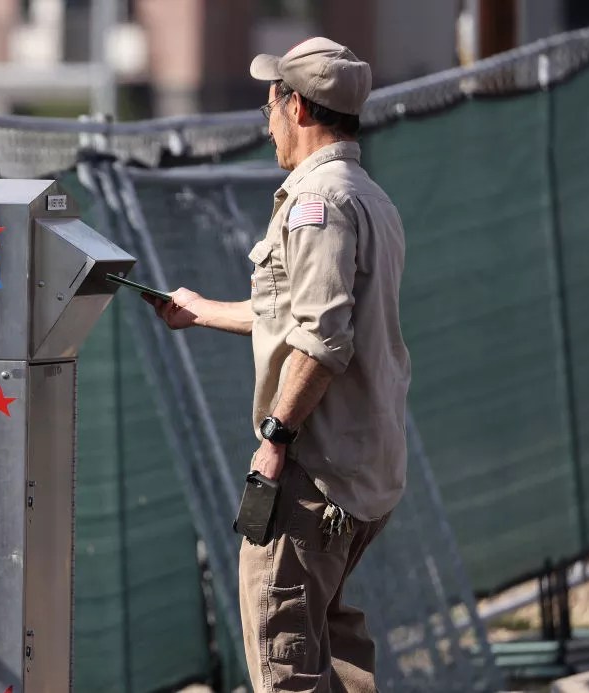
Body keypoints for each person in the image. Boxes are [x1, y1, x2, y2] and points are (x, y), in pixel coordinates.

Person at [145, 37, 412, 692]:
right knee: (336, 651)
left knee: (285, 659)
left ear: (296, 107)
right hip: (362, 470)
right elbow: (298, 316)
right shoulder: (367, 194)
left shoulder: (318, 205)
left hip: (313, 474)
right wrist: (200, 309)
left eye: (269, 103)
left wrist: (276, 440)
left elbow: (322, 339)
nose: (266, 122)